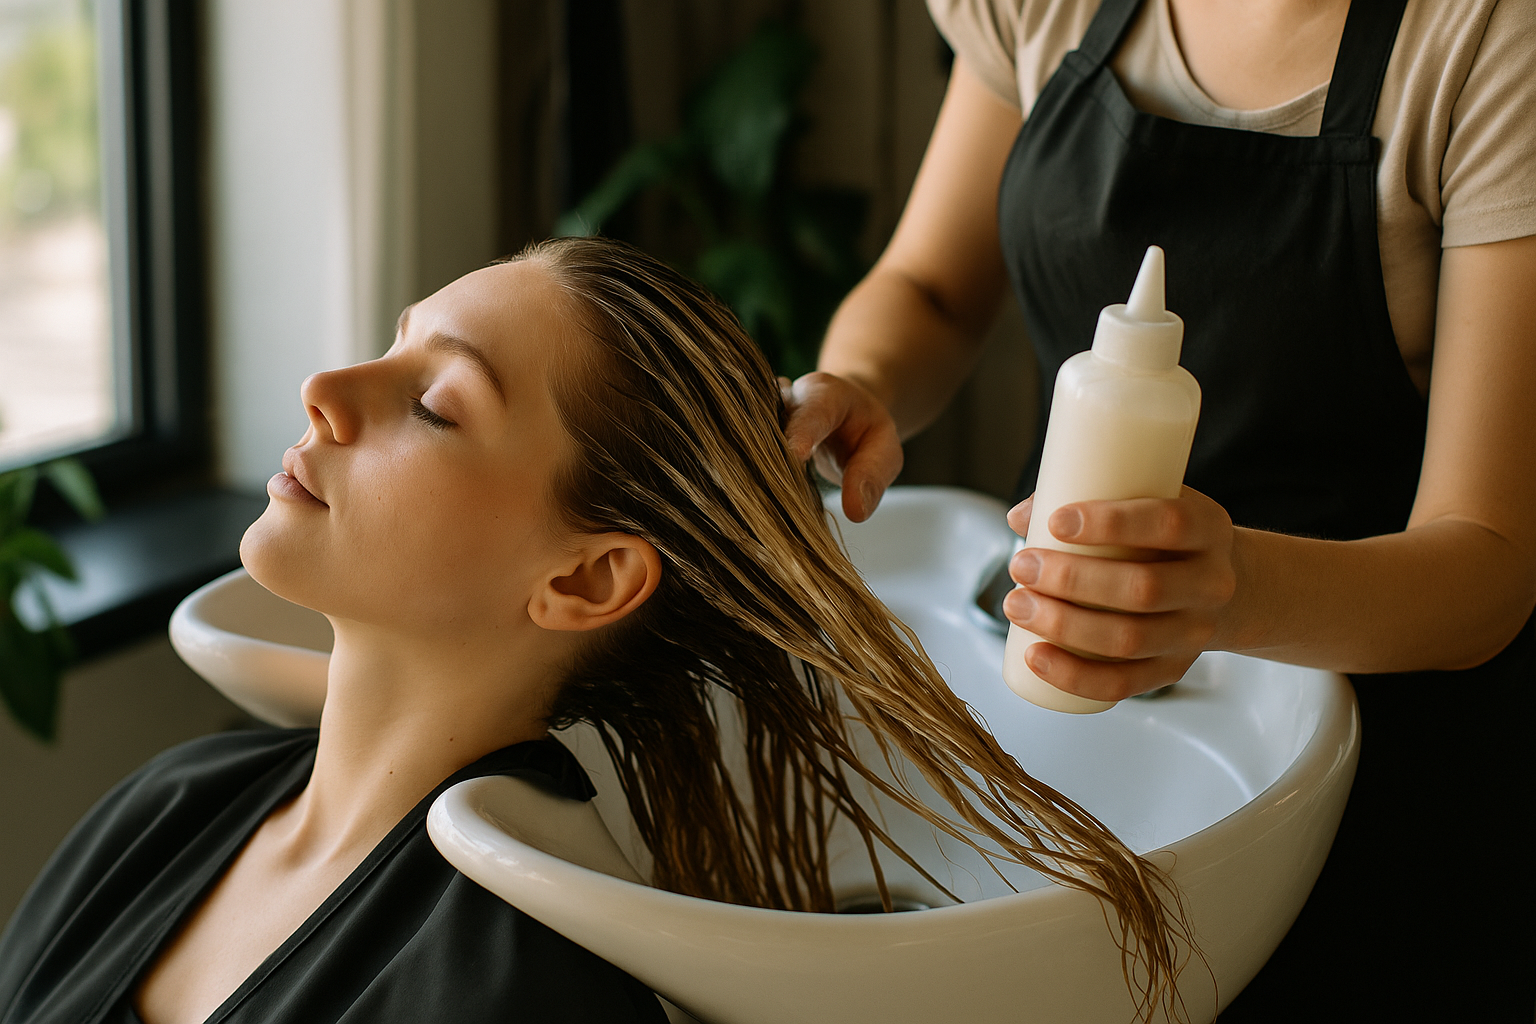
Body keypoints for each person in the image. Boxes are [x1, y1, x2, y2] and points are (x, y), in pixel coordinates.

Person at [0, 238, 1194, 1024]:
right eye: (393, 338)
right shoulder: (175, 802)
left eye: (433, 403)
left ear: (588, 579)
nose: (328, 386)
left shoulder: (515, 987)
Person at [784, 0, 1536, 1020]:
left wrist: (1229, 592)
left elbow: (1490, 562)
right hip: (1059, 675)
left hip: (1376, 765)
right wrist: (859, 382)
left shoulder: (1490, 40)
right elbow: (931, 290)